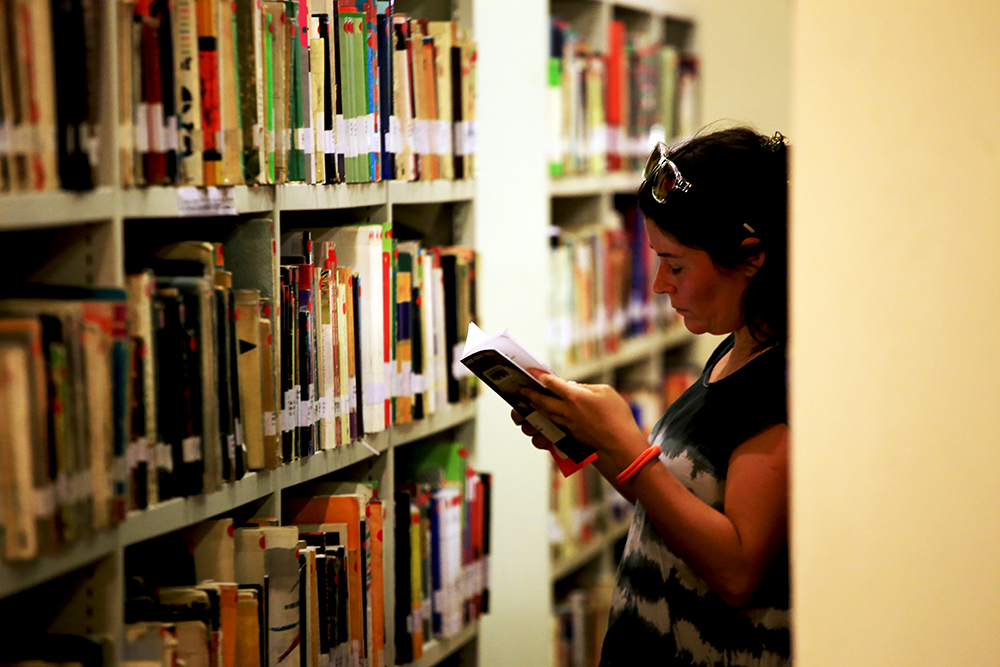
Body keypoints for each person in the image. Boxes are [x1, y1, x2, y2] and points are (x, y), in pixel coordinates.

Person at [513, 126, 791, 665]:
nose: (661, 284)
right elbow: (684, 506)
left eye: (677, 265)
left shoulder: (778, 385)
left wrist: (630, 448)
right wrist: (595, 442)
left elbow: (736, 570)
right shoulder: (736, 350)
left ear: (750, 257)